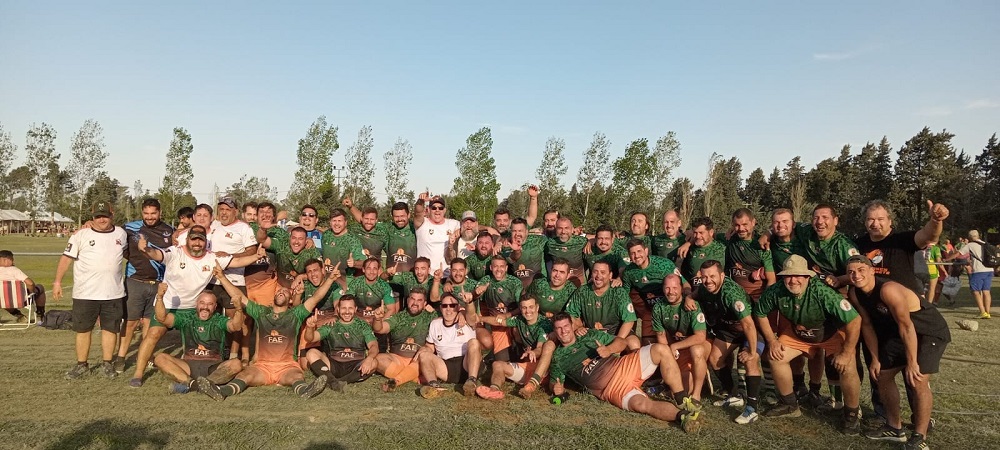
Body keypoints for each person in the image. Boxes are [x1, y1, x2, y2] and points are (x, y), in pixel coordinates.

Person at [128, 225, 258, 387]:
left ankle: (202, 374)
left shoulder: (211, 258)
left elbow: (237, 261)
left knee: (200, 342)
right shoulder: (175, 252)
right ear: (188, 239)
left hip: (192, 308)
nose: (197, 243)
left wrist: (256, 256)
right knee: (153, 334)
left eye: (200, 240)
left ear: (205, 242)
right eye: (193, 239)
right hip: (168, 305)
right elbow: (156, 254)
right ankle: (138, 374)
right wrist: (145, 249)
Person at [845, 255, 950, 450]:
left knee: (917, 379)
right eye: (851, 272)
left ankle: (919, 436)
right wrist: (875, 358)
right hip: (899, 333)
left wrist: (912, 362)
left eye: (861, 270)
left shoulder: (888, 290)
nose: (856, 275)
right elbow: (867, 325)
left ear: (872, 271)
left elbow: (907, 326)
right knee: (882, 376)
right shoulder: (854, 293)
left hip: (927, 331)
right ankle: (895, 428)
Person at [196, 260, 338, 400]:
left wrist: (330, 279)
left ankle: (305, 391)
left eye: (285, 292)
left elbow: (316, 297)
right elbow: (240, 296)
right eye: (279, 291)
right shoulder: (261, 312)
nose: (281, 292)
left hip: (286, 366)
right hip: (262, 367)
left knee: (296, 376)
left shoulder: (296, 314)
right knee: (246, 375)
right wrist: (221, 277)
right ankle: (221, 391)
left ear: (290, 300)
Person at [753, 255, 863, 435]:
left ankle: (851, 415)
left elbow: (854, 319)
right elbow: (760, 312)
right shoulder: (776, 290)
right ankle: (790, 404)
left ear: (807, 276)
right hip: (798, 333)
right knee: (776, 356)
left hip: (830, 333)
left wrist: (847, 352)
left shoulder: (823, 292)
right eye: (788, 276)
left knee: (848, 365)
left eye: (798, 275)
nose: (792, 280)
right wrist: (772, 340)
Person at [547, 313, 703, 432]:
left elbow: (622, 342)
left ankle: (681, 398)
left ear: (572, 325)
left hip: (624, 365)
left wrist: (609, 349)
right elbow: (554, 382)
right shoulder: (558, 357)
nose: (563, 331)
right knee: (642, 405)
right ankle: (683, 417)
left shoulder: (589, 335)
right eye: (559, 328)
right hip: (612, 389)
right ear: (555, 331)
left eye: (566, 326)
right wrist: (556, 388)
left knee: (661, 349)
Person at [54, 202, 128, 379]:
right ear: (92, 217)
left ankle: (107, 364)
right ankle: (82, 365)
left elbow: (128, 254)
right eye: (97, 216)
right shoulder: (81, 235)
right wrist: (57, 282)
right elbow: (66, 259)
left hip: (113, 293)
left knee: (110, 329)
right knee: (83, 330)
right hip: (85, 293)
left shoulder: (121, 233)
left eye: (105, 216)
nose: (102, 220)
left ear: (112, 215)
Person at [685, 260, 762, 424]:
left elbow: (748, 324)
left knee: (751, 360)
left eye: (712, 276)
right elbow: (695, 294)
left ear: (722, 275)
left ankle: (752, 409)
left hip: (752, 328)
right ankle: (734, 394)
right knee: (715, 359)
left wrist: (751, 350)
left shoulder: (731, 293)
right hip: (730, 329)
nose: (708, 280)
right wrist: (689, 298)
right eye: (704, 277)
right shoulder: (705, 288)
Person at [114, 198, 174, 374]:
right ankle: (121, 357)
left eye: (153, 213)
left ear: (160, 213)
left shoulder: (169, 231)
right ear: (142, 213)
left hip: (158, 284)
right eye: (146, 213)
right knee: (130, 322)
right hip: (135, 282)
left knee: (150, 323)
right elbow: (111, 234)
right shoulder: (129, 228)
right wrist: (87, 225)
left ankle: (145, 356)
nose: (150, 217)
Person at [151, 283, 243, 394]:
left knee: (236, 364)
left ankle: (199, 385)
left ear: (215, 307)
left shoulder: (219, 320)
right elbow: (162, 318)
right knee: (160, 358)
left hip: (214, 367)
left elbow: (236, 326)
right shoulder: (187, 318)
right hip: (188, 366)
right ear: (196, 304)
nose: (205, 307)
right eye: (202, 303)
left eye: (210, 304)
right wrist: (160, 297)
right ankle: (195, 385)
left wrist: (239, 309)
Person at [207, 196, 259, 364]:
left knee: (235, 318)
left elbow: (252, 251)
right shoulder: (214, 226)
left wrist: (229, 256)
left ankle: (233, 355)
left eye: (227, 210)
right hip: (211, 280)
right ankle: (213, 351)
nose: (224, 213)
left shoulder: (243, 228)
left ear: (235, 211)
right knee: (211, 317)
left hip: (234, 280)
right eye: (221, 209)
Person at [473, 296, 553, 400]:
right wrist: (480, 319)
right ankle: (494, 390)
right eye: (524, 308)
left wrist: (534, 352)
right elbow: (499, 321)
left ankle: (532, 385)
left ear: (537, 308)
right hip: (526, 365)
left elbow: (540, 348)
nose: (528, 311)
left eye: (531, 307)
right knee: (497, 364)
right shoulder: (520, 320)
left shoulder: (544, 324)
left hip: (541, 370)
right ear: (520, 309)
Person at [302, 294, 379, 393]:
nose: (347, 312)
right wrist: (310, 328)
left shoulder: (362, 325)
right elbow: (311, 338)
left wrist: (369, 359)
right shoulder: (331, 324)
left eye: (350, 308)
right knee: (311, 353)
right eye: (343, 308)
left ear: (355, 309)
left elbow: (374, 345)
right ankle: (333, 382)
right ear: (338, 309)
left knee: (374, 362)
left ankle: (338, 382)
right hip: (334, 365)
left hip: (356, 365)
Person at [652, 275, 710, 404]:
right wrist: (668, 355)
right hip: (679, 347)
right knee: (679, 391)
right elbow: (661, 337)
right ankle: (696, 378)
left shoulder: (691, 305)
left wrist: (674, 347)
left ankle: (696, 395)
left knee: (696, 350)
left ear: (682, 288)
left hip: (699, 343)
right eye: (667, 288)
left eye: (674, 288)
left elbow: (700, 336)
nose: (670, 292)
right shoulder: (658, 307)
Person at [621, 239, 688, 346]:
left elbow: (685, 284)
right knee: (648, 345)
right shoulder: (629, 272)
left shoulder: (664, 264)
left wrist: (688, 298)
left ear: (646, 251)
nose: (636, 256)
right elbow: (625, 296)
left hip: (669, 305)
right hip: (649, 309)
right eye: (632, 253)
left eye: (639, 251)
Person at [370, 287, 438, 392]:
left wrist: (460, 314)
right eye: (412, 299)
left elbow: (448, 319)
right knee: (379, 359)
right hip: (397, 359)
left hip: (418, 361)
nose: (415, 303)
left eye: (419, 300)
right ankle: (413, 377)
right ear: (407, 300)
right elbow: (379, 329)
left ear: (425, 304)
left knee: (425, 361)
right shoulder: (398, 317)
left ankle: (396, 381)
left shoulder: (431, 317)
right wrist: (377, 319)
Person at [416, 293, 482, 398]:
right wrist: (424, 350)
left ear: (458, 307)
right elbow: (430, 347)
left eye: (452, 306)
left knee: (474, 342)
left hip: (467, 363)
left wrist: (469, 303)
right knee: (424, 355)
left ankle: (472, 381)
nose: (448, 309)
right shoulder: (435, 324)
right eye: (444, 306)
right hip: (446, 367)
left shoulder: (466, 319)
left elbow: (472, 315)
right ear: (440, 308)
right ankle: (433, 386)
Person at [565, 260, 640, 350]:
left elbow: (629, 320)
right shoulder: (582, 291)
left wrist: (617, 341)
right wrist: (578, 327)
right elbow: (571, 314)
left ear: (610, 275)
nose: (598, 276)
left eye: (603, 272)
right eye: (595, 272)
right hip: (592, 333)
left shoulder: (618, 292)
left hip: (616, 333)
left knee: (633, 343)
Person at [471, 256, 524, 360]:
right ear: (491, 268)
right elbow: (474, 296)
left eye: (502, 266)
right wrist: (477, 293)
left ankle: (520, 350)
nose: (498, 269)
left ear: (506, 268)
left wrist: (507, 315)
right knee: (502, 360)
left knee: (517, 332)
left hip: (513, 320)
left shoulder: (515, 282)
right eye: (495, 266)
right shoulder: (486, 280)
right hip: (496, 324)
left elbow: (521, 307)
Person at [413, 194, 460, 272]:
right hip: (426, 274)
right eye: (434, 208)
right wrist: (420, 201)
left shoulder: (453, 224)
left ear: (444, 210)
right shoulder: (422, 223)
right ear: (428, 209)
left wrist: (460, 231)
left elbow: (470, 226)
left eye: (440, 208)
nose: (437, 210)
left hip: (446, 273)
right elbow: (418, 212)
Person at [955, 230, 995, 318]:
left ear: (969, 237)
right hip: (989, 269)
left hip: (979, 270)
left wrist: (947, 259)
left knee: (975, 291)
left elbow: (958, 254)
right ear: (978, 236)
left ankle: (982, 312)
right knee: (986, 291)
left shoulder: (970, 245)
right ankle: (988, 312)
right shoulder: (985, 244)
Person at [0, 250, 46, 324]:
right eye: (12, 259)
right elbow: (30, 283)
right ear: (6, 260)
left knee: (4, 297)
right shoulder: (14, 270)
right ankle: (40, 314)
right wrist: (31, 292)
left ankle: (19, 315)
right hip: (20, 301)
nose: (13, 262)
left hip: (2, 301)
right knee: (40, 287)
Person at [678, 217, 726, 285]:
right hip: (694, 289)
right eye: (695, 232)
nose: (697, 236)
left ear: (711, 232)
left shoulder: (722, 247)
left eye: (701, 233)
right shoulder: (689, 250)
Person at [503, 218, 548, 287]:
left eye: (520, 231)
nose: (517, 234)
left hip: (539, 287)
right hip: (517, 289)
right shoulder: (506, 246)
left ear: (526, 232)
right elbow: (513, 259)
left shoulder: (539, 241)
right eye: (514, 231)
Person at [545, 217, 588, 286]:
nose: (563, 231)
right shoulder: (550, 243)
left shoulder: (581, 241)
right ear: (556, 229)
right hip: (560, 285)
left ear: (572, 229)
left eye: (566, 228)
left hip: (579, 285)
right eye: (560, 228)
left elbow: (596, 239)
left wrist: (590, 241)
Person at [343, 197, 389, 262]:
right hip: (355, 266)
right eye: (366, 219)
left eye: (372, 219)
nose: (369, 222)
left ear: (376, 220)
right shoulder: (353, 229)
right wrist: (351, 207)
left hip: (374, 267)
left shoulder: (382, 232)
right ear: (362, 218)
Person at [322, 208, 366, 274]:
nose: (336, 224)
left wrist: (354, 263)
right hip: (326, 277)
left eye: (339, 221)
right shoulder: (326, 234)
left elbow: (364, 263)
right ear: (330, 222)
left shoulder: (352, 240)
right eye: (334, 220)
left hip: (344, 278)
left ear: (345, 222)